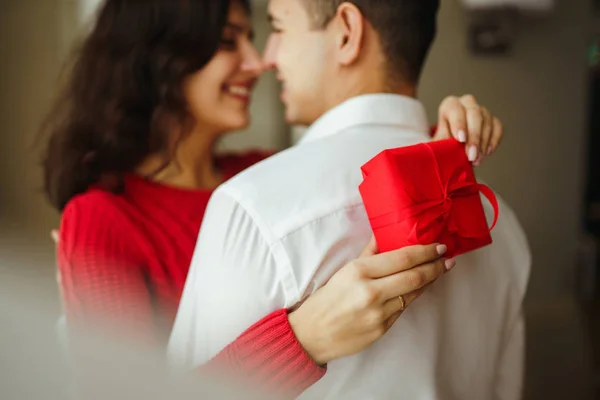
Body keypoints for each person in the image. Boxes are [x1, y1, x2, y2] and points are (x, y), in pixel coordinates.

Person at [43, 0, 504, 396]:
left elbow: (352, 165)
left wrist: (445, 130)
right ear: (156, 55)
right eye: (228, 41)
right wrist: (301, 340)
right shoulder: (102, 217)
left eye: (256, 36)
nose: (257, 60)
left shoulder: (260, 175)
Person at [168, 0, 531, 399]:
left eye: (279, 28)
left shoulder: (252, 207)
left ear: (346, 31)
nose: (267, 57)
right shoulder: (501, 221)